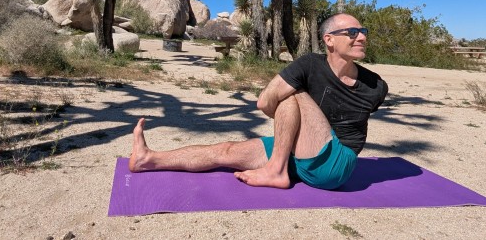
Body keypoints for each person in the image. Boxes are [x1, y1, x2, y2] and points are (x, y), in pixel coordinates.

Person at [128, 13, 388, 190]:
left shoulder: (375, 85)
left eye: (363, 31)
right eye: (352, 32)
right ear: (329, 39)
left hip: (336, 165)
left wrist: (295, 116)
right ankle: (148, 159)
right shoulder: (310, 64)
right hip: (299, 150)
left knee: (290, 92)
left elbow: (270, 101)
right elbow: (264, 103)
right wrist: (292, 125)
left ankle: (275, 170)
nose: (362, 37)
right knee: (226, 150)